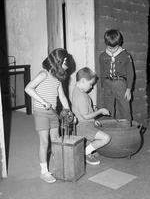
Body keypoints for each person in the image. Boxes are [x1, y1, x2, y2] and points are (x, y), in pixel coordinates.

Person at [25, 48, 71, 183]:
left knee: (56, 139)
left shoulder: (58, 78)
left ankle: (59, 164)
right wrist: (43, 101)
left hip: (53, 113)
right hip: (41, 112)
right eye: (65, 62)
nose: (67, 64)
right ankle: (44, 171)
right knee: (44, 142)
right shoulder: (43, 74)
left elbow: (62, 96)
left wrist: (68, 109)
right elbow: (28, 88)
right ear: (59, 62)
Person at [72, 67, 111, 165]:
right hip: (83, 126)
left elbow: (86, 112)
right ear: (83, 81)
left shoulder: (77, 90)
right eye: (90, 84)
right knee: (106, 138)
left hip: (85, 124)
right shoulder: (81, 97)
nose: (91, 87)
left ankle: (86, 152)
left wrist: (93, 120)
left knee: (95, 136)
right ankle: (83, 154)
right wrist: (100, 111)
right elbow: (86, 116)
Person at [99, 29, 134, 125]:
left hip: (120, 83)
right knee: (107, 107)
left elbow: (130, 73)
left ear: (119, 43)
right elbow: (102, 72)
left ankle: (126, 127)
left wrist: (128, 89)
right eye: (110, 48)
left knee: (124, 107)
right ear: (106, 44)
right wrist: (103, 86)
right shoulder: (102, 56)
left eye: (115, 48)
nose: (112, 50)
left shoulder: (126, 55)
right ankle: (108, 127)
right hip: (107, 84)